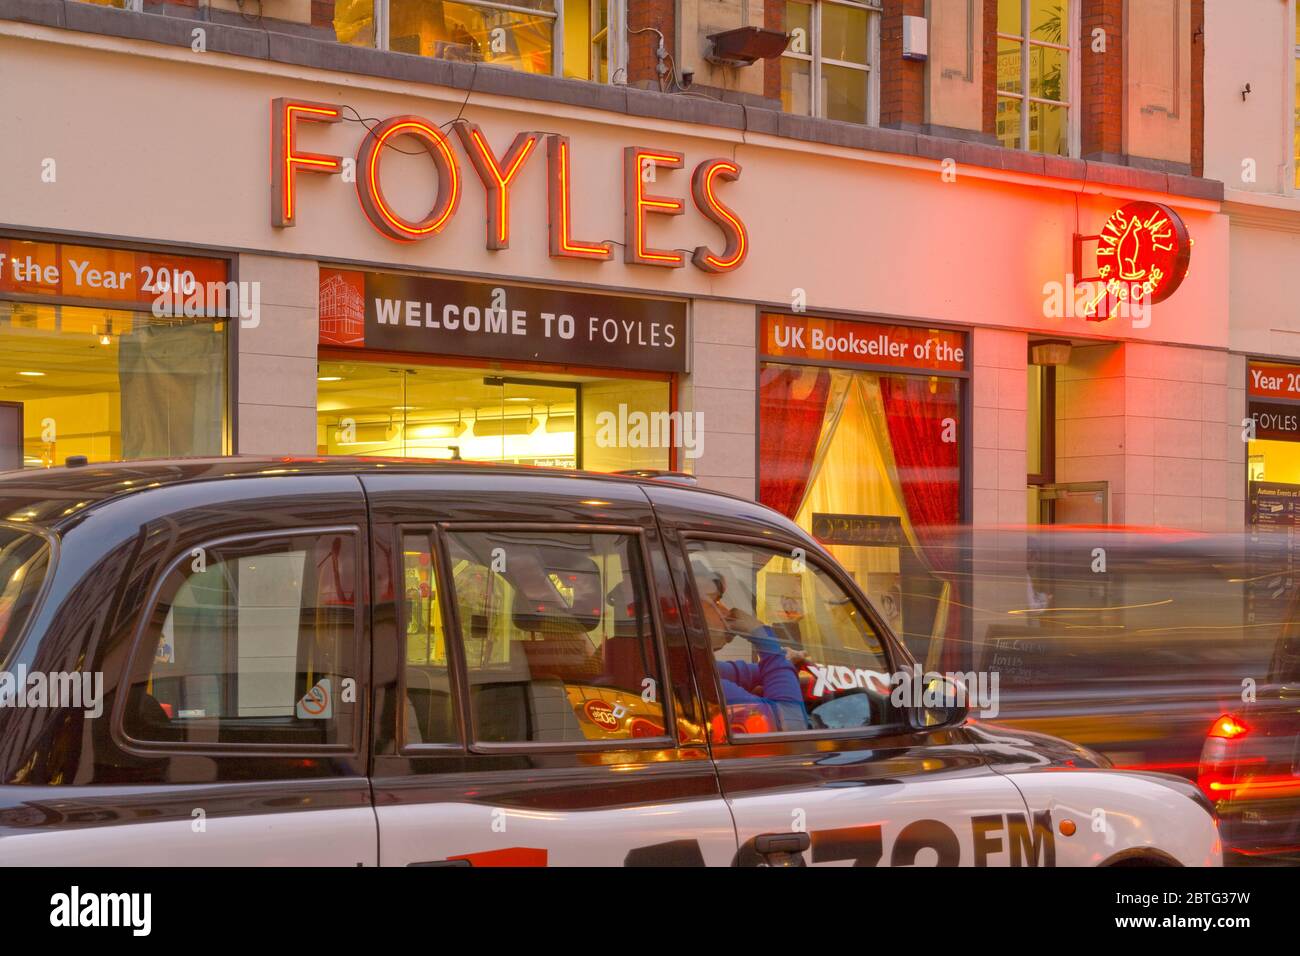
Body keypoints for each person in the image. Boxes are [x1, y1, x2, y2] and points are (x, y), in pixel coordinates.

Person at [692, 559, 809, 732]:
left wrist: (785, 662)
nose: (727, 612)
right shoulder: (702, 684)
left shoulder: (691, 668)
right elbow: (792, 722)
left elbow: (744, 674)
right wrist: (760, 635)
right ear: (689, 613)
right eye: (715, 602)